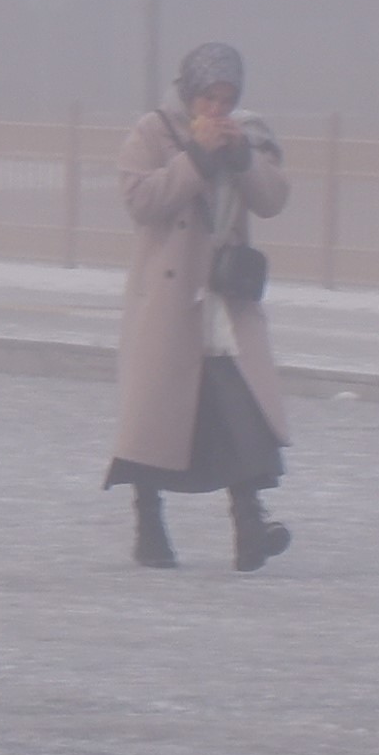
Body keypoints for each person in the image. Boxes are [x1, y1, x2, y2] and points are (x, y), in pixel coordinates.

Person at [104, 44, 294, 572]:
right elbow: (141, 201)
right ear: (190, 93)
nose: (217, 108)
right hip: (169, 297)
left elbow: (273, 199)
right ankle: (149, 523)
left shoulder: (251, 134)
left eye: (227, 98)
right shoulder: (153, 132)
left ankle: (251, 525)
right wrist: (196, 158)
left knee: (242, 407)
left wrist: (239, 158)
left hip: (222, 298)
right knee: (156, 418)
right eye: (209, 97)